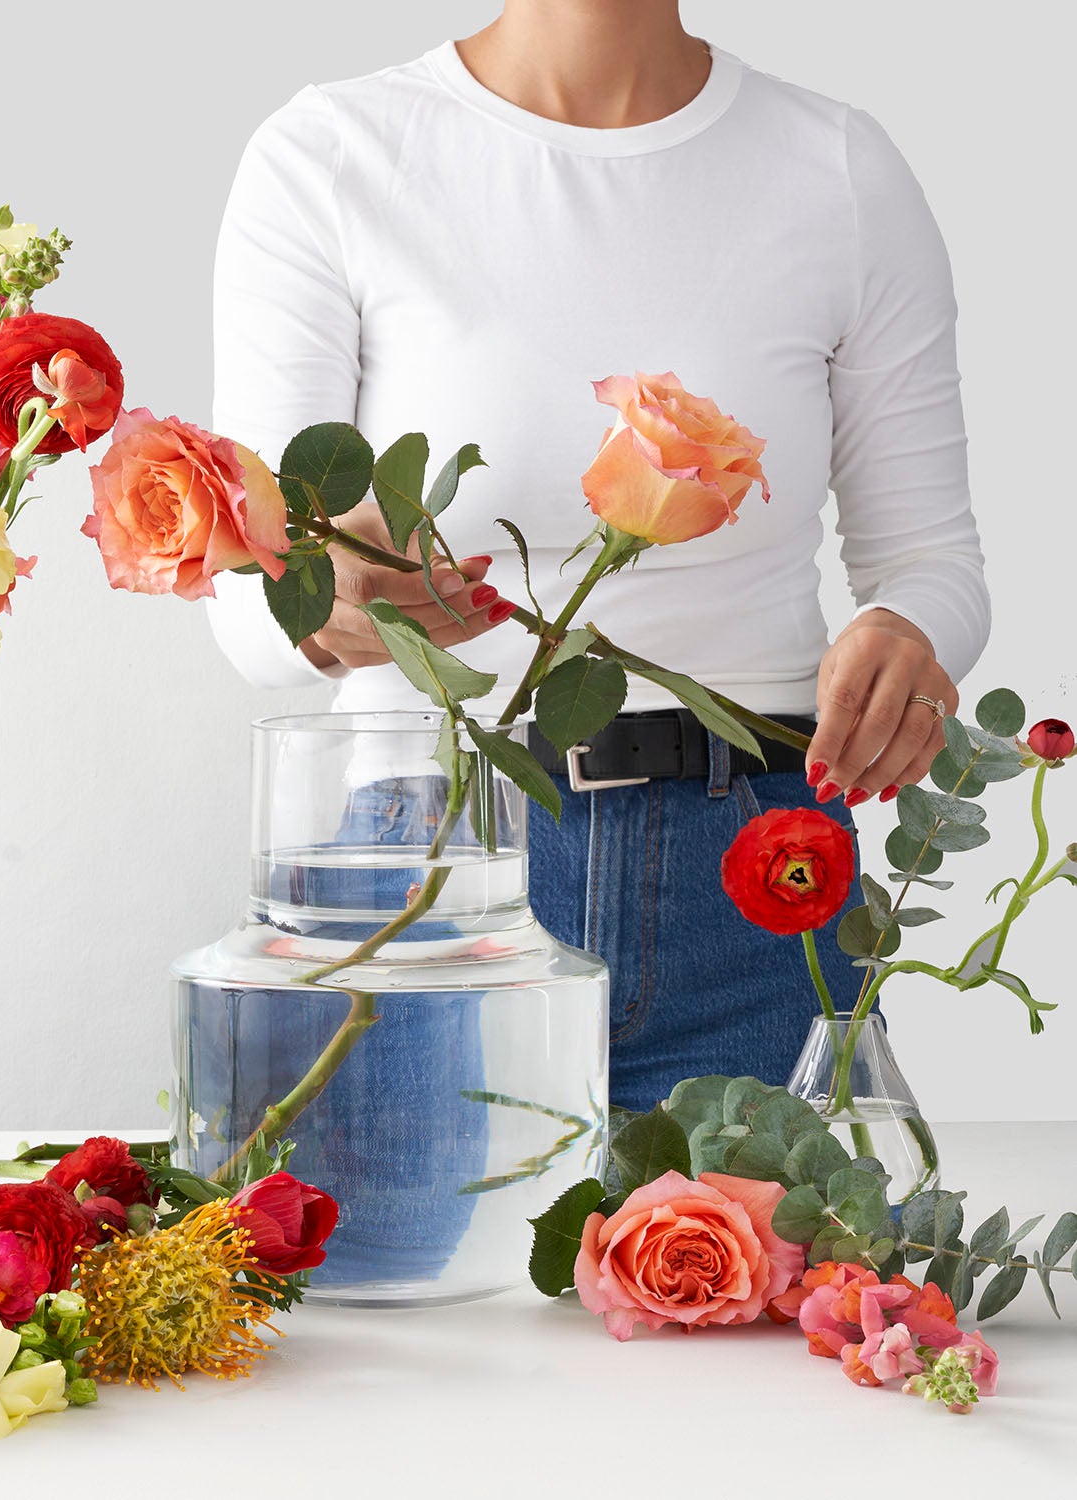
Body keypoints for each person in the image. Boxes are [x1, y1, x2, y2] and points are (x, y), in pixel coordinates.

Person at [204, 0, 989, 1112]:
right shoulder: (333, 155)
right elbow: (249, 606)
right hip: (434, 868)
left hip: (757, 871)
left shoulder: (839, 170)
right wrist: (326, 606)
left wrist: (903, 633)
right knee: (389, 1288)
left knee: (814, 1290)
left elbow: (933, 561)